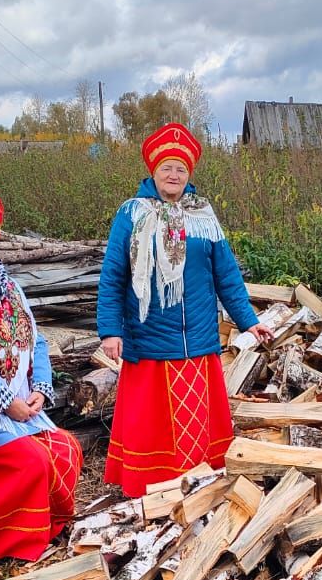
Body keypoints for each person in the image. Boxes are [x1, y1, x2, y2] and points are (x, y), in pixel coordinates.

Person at [97, 122, 271, 495]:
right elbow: (113, 274)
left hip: (198, 338)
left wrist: (249, 321)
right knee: (153, 421)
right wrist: (110, 330)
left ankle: (198, 483)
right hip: (149, 337)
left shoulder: (203, 216)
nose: (173, 175)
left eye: (180, 169)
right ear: (153, 172)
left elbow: (226, 274)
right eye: (166, 168)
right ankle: (154, 486)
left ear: (188, 174)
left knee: (195, 420)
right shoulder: (132, 214)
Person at [0, 187, 84, 560]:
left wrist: (40, 387)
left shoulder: (10, 288)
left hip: (21, 408)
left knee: (66, 448)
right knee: (31, 461)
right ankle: (3, 543)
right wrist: (7, 403)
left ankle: (49, 527)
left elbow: (35, 342)